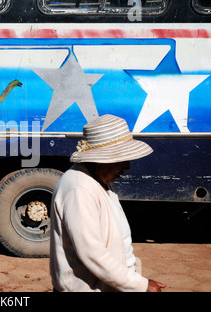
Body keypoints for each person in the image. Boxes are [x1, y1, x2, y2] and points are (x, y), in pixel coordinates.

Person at [50, 114, 166, 292]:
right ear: (100, 160)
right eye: (122, 160)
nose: (127, 168)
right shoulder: (78, 188)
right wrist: (140, 285)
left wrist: (135, 280)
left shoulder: (102, 182)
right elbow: (93, 253)